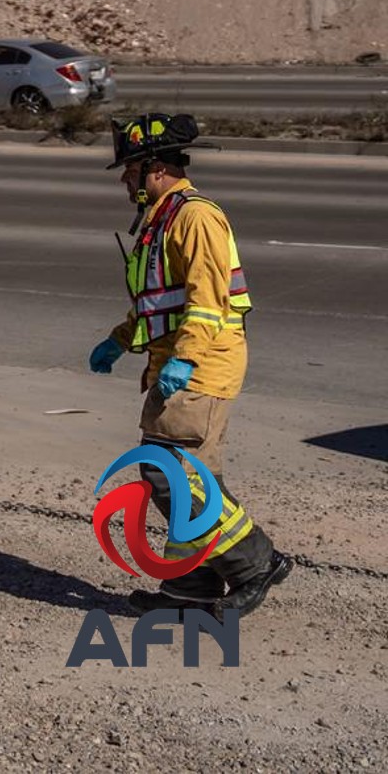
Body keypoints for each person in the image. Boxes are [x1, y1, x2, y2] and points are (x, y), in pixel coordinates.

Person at [90, 113, 290, 616]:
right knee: (194, 480)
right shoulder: (163, 219)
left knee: (168, 475)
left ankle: (257, 562)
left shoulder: (195, 217)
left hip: (201, 364)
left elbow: (207, 303)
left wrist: (183, 361)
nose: (124, 179)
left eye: (130, 169)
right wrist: (118, 340)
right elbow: (159, 302)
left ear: (156, 169)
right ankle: (191, 588)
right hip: (179, 361)